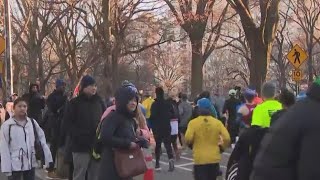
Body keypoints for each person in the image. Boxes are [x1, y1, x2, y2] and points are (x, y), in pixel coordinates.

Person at [249, 78, 320, 180]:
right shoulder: (314, 117)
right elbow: (312, 171)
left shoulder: (303, 109)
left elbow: (254, 132)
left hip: (263, 161)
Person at [98, 87, 149, 180]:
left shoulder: (131, 119)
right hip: (111, 167)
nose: (133, 103)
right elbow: (105, 137)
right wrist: (127, 144)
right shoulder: (113, 117)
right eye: (130, 100)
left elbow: (130, 137)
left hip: (126, 166)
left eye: (135, 100)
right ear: (123, 101)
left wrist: (140, 141)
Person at [62, 75, 105, 180]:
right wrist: (77, 136)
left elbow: (105, 120)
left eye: (95, 86)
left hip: (96, 146)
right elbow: (67, 124)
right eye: (91, 85)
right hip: (80, 146)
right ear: (84, 87)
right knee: (79, 174)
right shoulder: (74, 103)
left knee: (94, 175)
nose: (94, 88)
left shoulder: (99, 102)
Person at [0, 98, 53, 180]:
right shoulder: (7, 126)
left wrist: (48, 157)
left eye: (24, 106)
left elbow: (42, 139)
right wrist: (6, 167)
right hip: (14, 165)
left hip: (30, 163)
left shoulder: (32, 122)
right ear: (14, 108)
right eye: (19, 106)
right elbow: (4, 148)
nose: (22, 108)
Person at [185, 98, 230, 180]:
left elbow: (188, 138)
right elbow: (227, 137)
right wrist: (222, 147)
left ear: (199, 109)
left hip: (199, 159)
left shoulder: (193, 123)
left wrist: (191, 145)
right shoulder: (217, 122)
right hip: (214, 158)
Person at [45, 79, 68, 178]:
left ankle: (61, 167)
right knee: (54, 146)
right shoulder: (52, 97)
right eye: (62, 86)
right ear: (57, 86)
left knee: (62, 145)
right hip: (55, 123)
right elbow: (53, 107)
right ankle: (51, 165)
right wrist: (63, 99)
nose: (63, 88)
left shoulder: (64, 97)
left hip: (64, 123)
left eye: (64, 86)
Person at [149, 87, 175, 171]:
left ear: (156, 93)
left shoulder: (154, 104)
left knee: (158, 145)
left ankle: (157, 164)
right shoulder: (168, 103)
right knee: (168, 144)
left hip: (157, 127)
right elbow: (173, 114)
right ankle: (171, 159)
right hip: (167, 126)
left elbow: (152, 116)